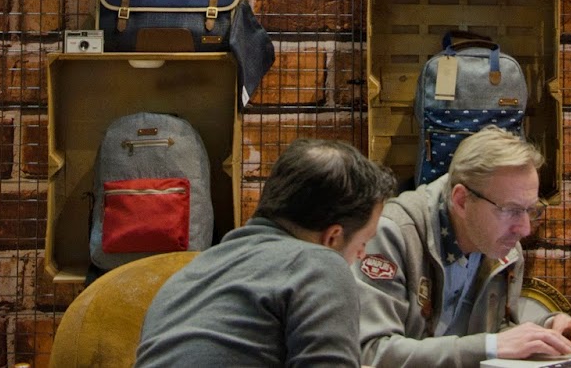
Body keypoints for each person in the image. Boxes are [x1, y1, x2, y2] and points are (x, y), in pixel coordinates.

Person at [135, 137, 399, 367]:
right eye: (363, 242)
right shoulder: (319, 264)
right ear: (333, 237)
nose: (362, 255)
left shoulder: (184, 279)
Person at [356, 126, 571, 367]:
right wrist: (490, 346)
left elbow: (498, 334)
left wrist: (547, 333)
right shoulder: (392, 233)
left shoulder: (504, 250)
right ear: (461, 201)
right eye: (510, 210)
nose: (524, 229)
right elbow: (371, 351)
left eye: (531, 210)